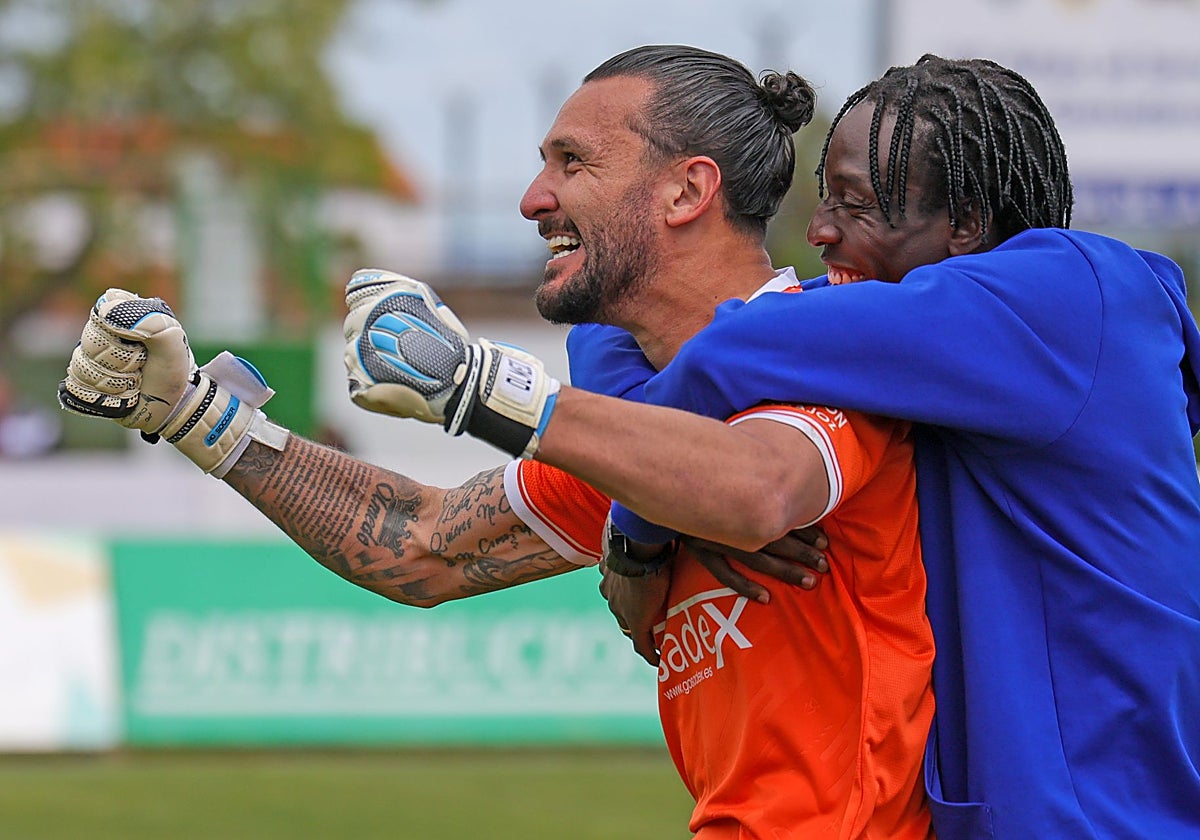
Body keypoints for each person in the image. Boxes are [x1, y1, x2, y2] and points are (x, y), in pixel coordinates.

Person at [55, 45, 935, 839]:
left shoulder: (828, 341)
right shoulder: (635, 421)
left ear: (686, 191)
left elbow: (758, 491)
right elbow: (426, 544)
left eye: (572, 162)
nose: (532, 199)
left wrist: (478, 387)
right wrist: (197, 416)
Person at [355, 55, 1200, 838]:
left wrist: (633, 536)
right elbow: (664, 358)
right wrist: (642, 516)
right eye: (825, 200)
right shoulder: (947, 364)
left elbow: (735, 348)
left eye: (856, 204)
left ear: (967, 225)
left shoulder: (1066, 294)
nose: (823, 233)